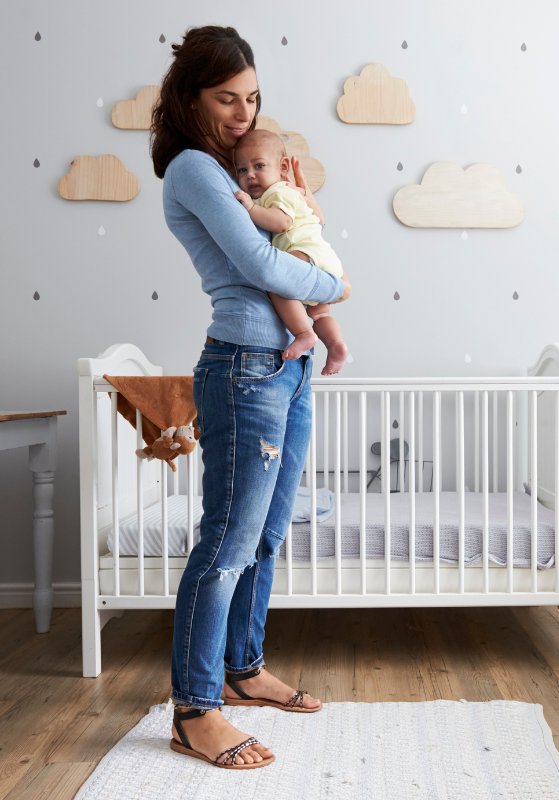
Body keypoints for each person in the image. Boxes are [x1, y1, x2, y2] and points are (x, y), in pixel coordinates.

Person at [151, 25, 350, 769]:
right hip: (243, 367)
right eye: (226, 98)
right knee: (227, 542)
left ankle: (242, 670)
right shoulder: (197, 171)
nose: (242, 112)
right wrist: (336, 286)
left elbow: (296, 229)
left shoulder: (246, 168)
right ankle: (195, 709)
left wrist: (300, 206)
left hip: (284, 366)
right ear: (190, 98)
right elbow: (264, 258)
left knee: (265, 533)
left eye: (252, 97)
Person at [233, 129, 349, 375]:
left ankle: (303, 333)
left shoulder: (277, 191)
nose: (250, 175)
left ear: (283, 167)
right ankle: (336, 345)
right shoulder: (291, 193)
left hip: (303, 251)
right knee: (319, 313)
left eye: (259, 165)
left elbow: (281, 222)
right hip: (325, 258)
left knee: (277, 283)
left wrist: (251, 208)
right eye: (242, 170)